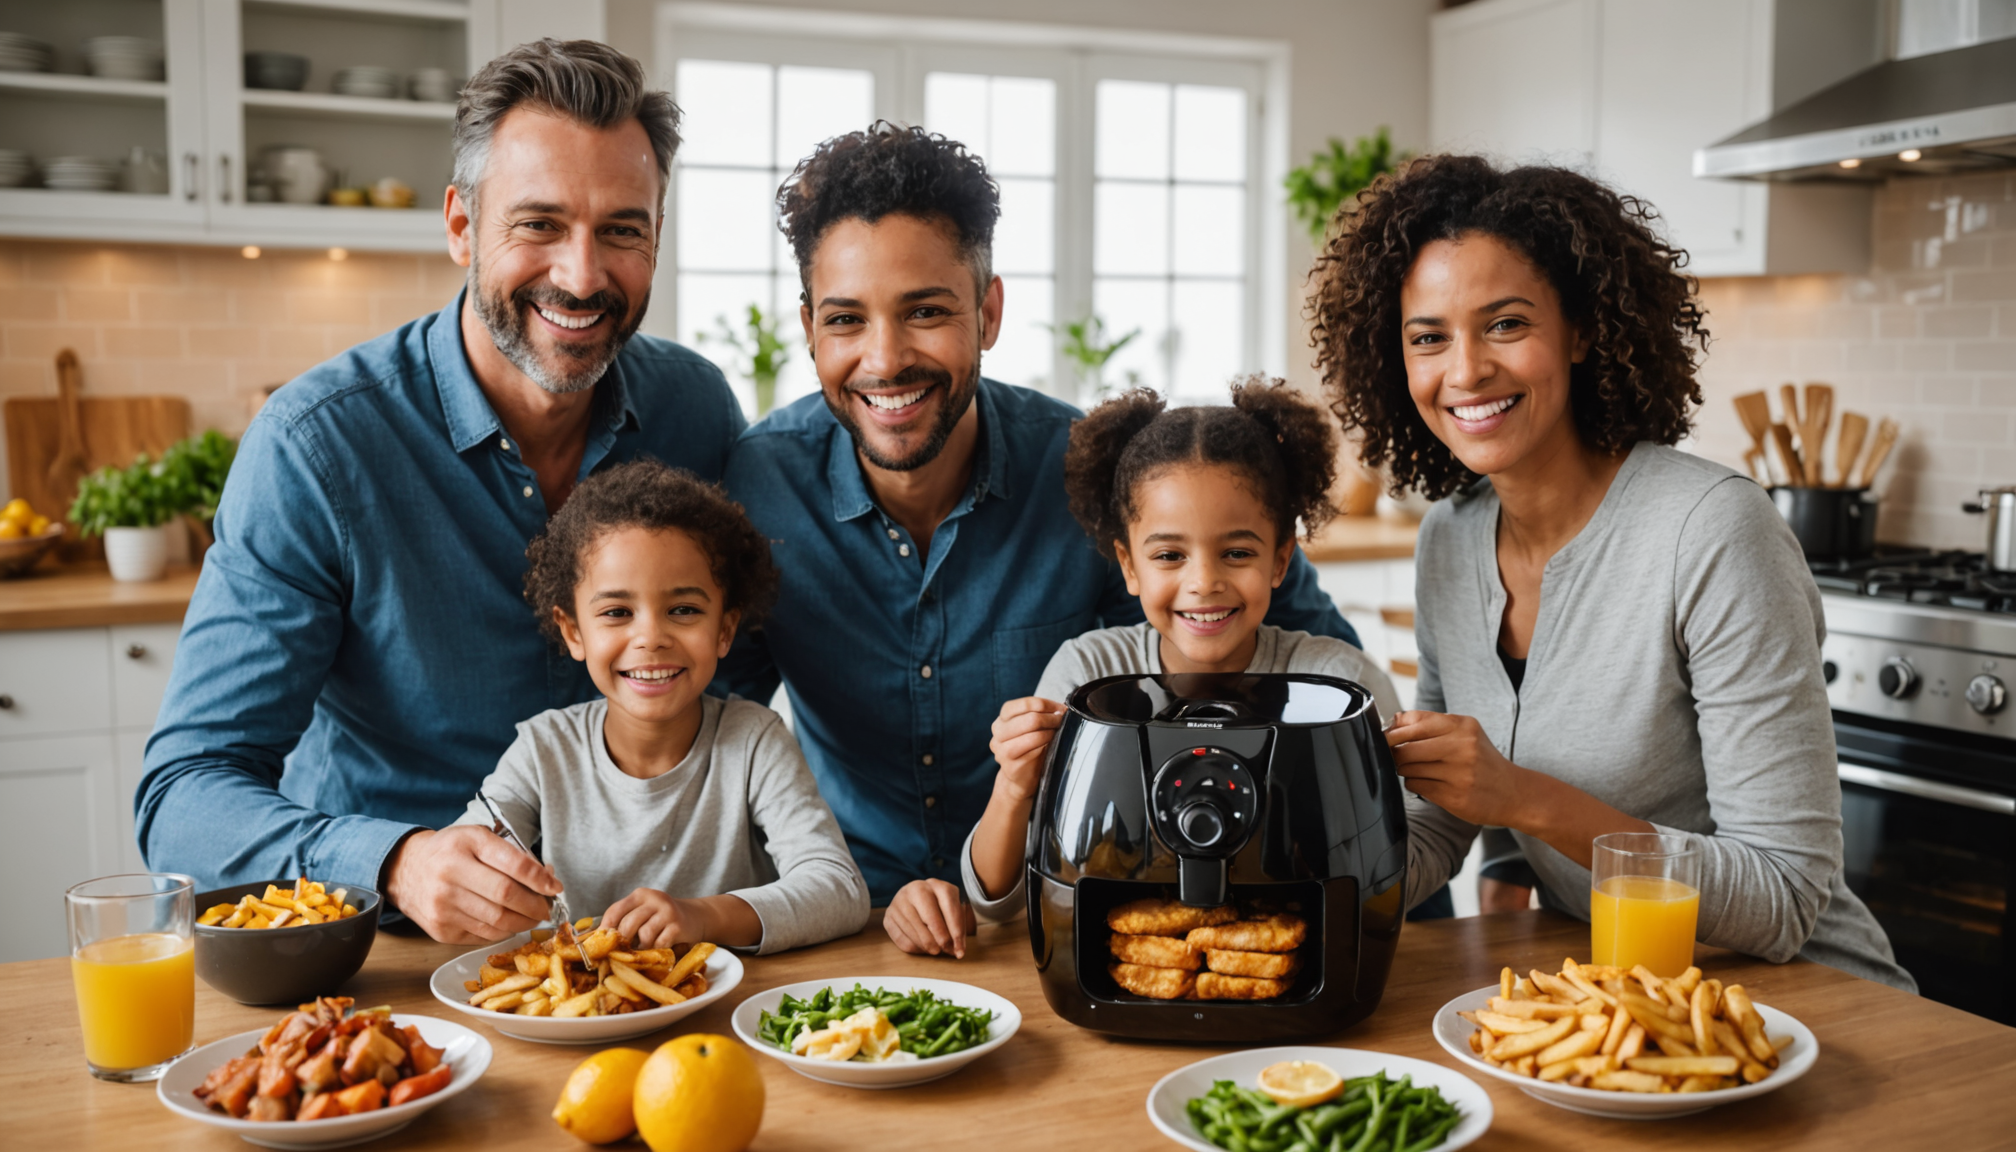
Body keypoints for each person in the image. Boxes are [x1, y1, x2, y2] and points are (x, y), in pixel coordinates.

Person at [137, 40, 748, 945]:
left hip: (656, 952)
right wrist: (395, 862)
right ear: (462, 225)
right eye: (539, 224)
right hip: (394, 955)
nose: (582, 276)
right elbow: (183, 798)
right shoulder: (317, 445)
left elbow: (743, 673)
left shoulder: (696, 410)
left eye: (622, 230)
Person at [717, 123, 1365, 908]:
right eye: (846, 319)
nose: (884, 360)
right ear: (809, 328)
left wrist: (1409, 925)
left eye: (925, 311)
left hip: (1069, 904)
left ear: (988, 312)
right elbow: (709, 719)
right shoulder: (760, 485)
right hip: (847, 910)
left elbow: (1329, 690)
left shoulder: (1092, 471)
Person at [1311, 154, 1913, 988]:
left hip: (1808, 1001)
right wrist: (1298, 876)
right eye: (1428, 337)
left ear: (1583, 330)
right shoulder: (1450, 539)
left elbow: (1785, 895)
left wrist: (1523, 800)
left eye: (1506, 324)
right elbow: (1447, 808)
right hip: (1616, 997)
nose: (1465, 370)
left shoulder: (1710, 531)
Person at [884, 379, 1404, 956]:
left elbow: (1409, 853)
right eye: (1169, 556)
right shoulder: (1085, 674)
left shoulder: (1340, 685)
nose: (1203, 582)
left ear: (1281, 559)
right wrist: (1013, 783)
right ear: (1128, 566)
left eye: (1237, 553)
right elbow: (997, 902)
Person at [448, 460, 867, 953]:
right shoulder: (543, 748)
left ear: (724, 629)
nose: (650, 637)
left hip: (734, 996)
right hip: (586, 997)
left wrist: (703, 916)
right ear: (574, 632)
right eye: (617, 612)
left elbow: (839, 888)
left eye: (683, 610)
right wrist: (475, 880)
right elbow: (466, 853)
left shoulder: (754, 740)